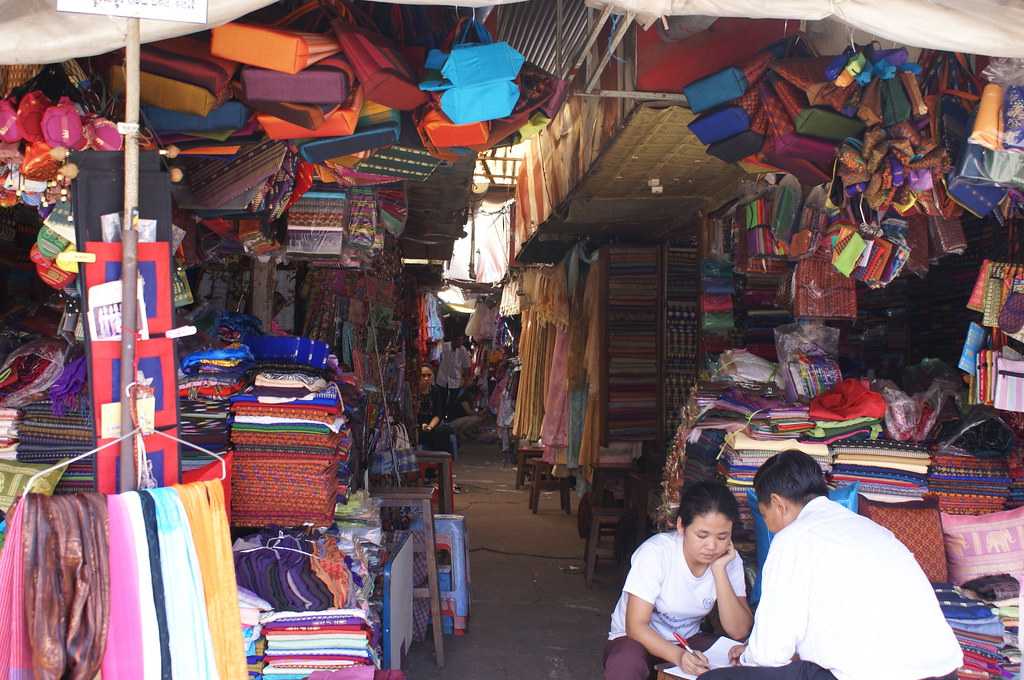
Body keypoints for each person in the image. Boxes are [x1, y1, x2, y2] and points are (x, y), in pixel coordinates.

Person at [702, 451, 962, 680]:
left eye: (765, 513)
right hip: (943, 671)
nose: (768, 524)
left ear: (779, 505)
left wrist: (747, 659)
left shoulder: (792, 539)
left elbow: (769, 655)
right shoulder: (872, 529)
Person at [604, 481, 753, 680]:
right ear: (681, 526)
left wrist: (719, 571)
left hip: (687, 640)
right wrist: (679, 656)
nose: (712, 546)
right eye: (702, 535)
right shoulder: (656, 553)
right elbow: (636, 626)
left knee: (737, 657)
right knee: (625, 663)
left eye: (722, 537)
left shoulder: (729, 561)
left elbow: (739, 630)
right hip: (634, 640)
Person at [417, 365, 453, 453]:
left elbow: (438, 414)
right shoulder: (413, 391)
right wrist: (422, 425)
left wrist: (430, 426)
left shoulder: (435, 391)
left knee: (444, 431)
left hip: (432, 424)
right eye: (423, 375)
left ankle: (442, 460)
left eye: (429, 375)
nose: (426, 378)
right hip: (417, 424)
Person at [435, 335, 472, 415]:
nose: (460, 343)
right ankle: (440, 417)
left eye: (461, 341)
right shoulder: (443, 347)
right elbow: (437, 361)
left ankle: (449, 418)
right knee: (441, 400)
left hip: (455, 381)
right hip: (442, 379)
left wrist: (466, 380)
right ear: (453, 340)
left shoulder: (463, 350)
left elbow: (466, 366)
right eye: (459, 340)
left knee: (453, 401)